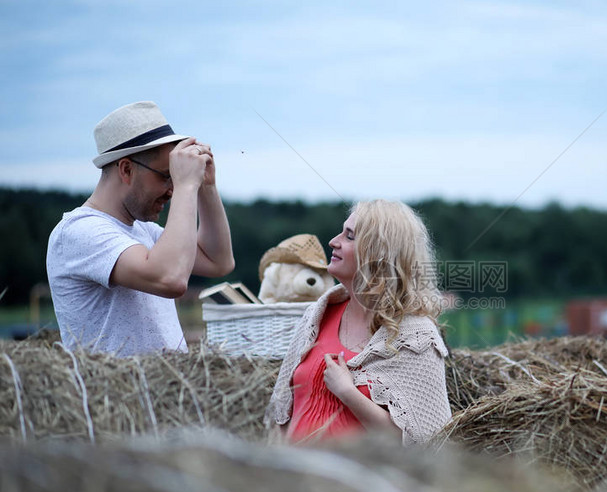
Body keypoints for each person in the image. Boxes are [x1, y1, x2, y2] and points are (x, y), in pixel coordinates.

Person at [46, 101, 234, 356]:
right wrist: (187, 186)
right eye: (166, 175)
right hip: (118, 394)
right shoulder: (78, 232)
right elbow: (170, 278)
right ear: (126, 169)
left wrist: (207, 187)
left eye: (176, 177)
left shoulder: (144, 231)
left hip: (163, 391)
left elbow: (217, 261)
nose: (172, 189)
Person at [265, 200, 452, 446]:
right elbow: (281, 414)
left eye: (349, 236)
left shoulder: (417, 337)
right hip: (294, 477)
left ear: (377, 255)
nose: (333, 241)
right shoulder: (317, 315)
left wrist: (347, 393)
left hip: (358, 481)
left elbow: (423, 440)